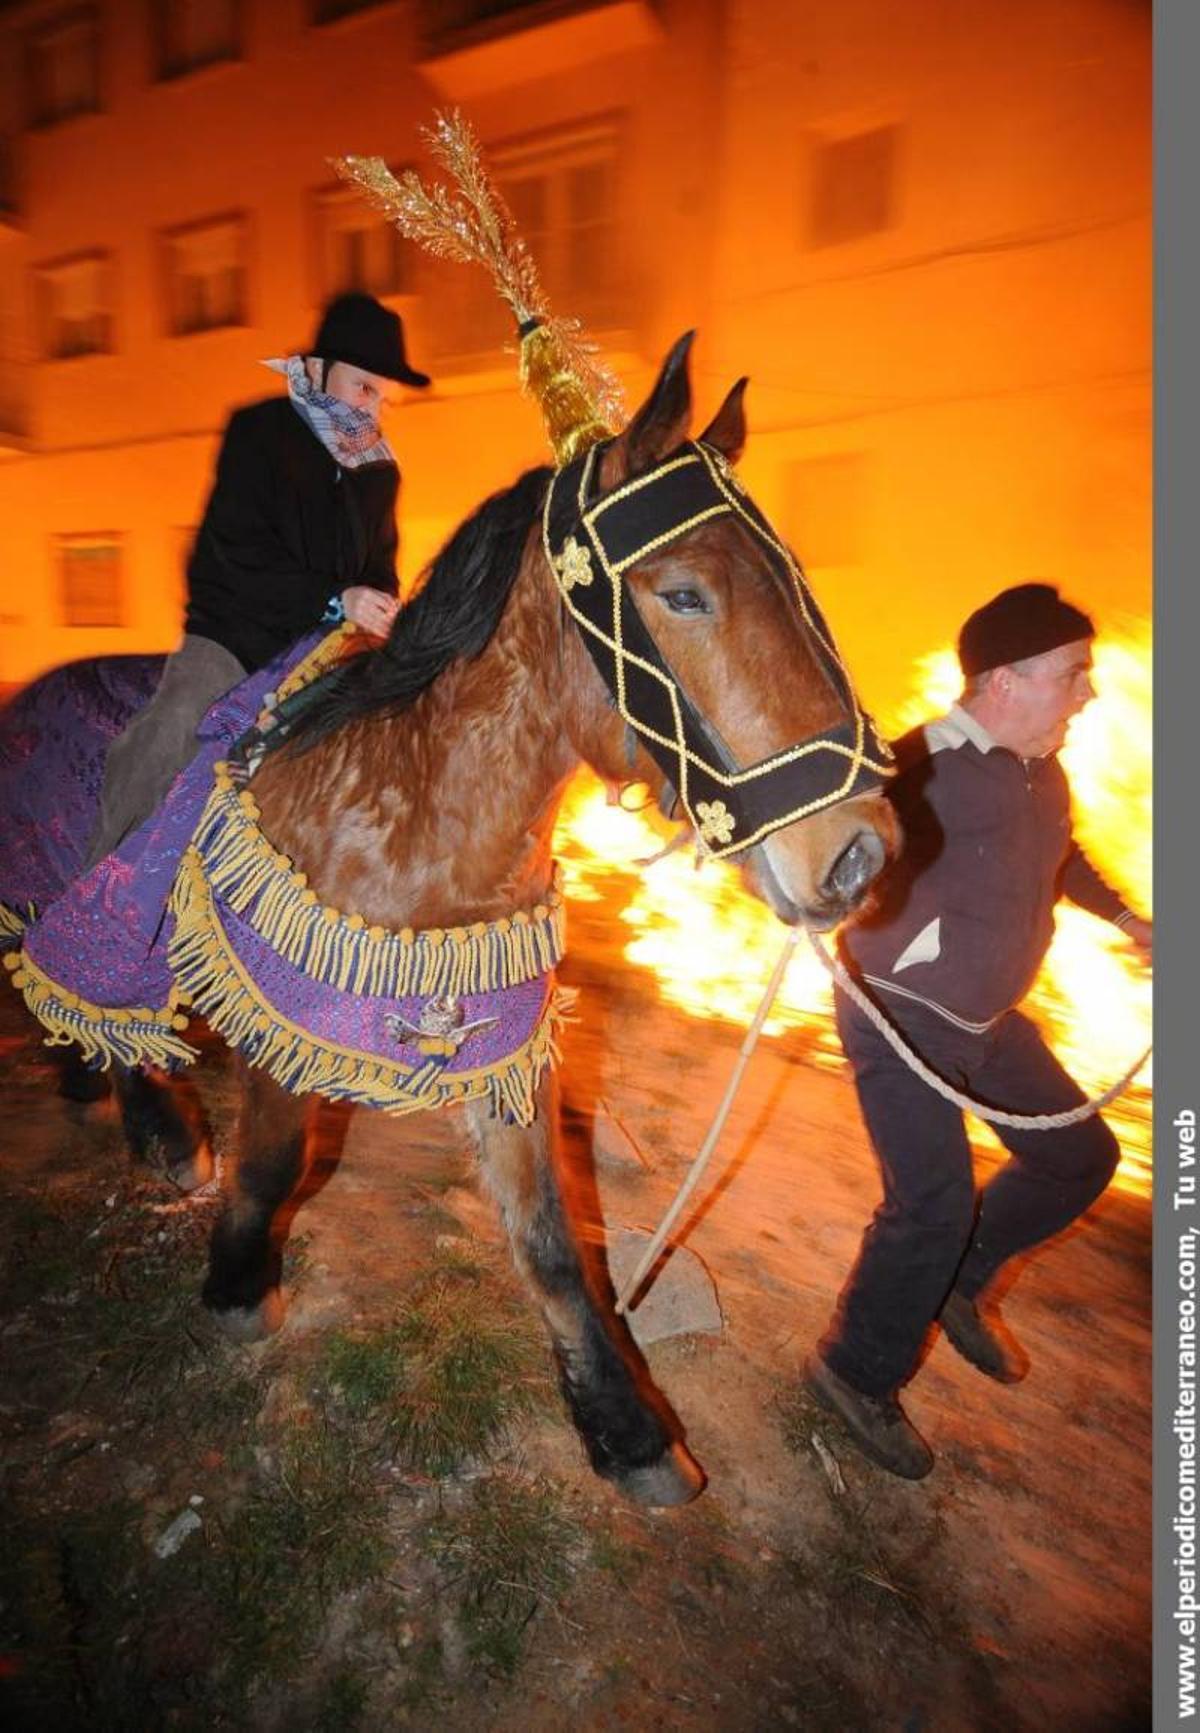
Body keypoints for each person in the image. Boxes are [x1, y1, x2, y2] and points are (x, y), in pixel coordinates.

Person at [804, 583, 1152, 1479]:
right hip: (901, 1020)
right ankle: (852, 1372)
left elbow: (1059, 855)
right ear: (1004, 681)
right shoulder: (919, 771)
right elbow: (840, 850)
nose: (1088, 694)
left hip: (987, 1023)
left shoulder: (1043, 769)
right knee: (931, 1205)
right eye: (1073, 675)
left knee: (1080, 1158)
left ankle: (958, 1280)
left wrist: (1128, 919)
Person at [83, 291, 430, 869]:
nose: (371, 410)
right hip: (234, 638)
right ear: (317, 371)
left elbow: (379, 567)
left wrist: (380, 605)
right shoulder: (258, 433)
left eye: (382, 398)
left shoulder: (378, 471)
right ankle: (100, 891)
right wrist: (336, 597)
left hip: (326, 650)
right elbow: (236, 553)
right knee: (172, 726)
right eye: (363, 387)